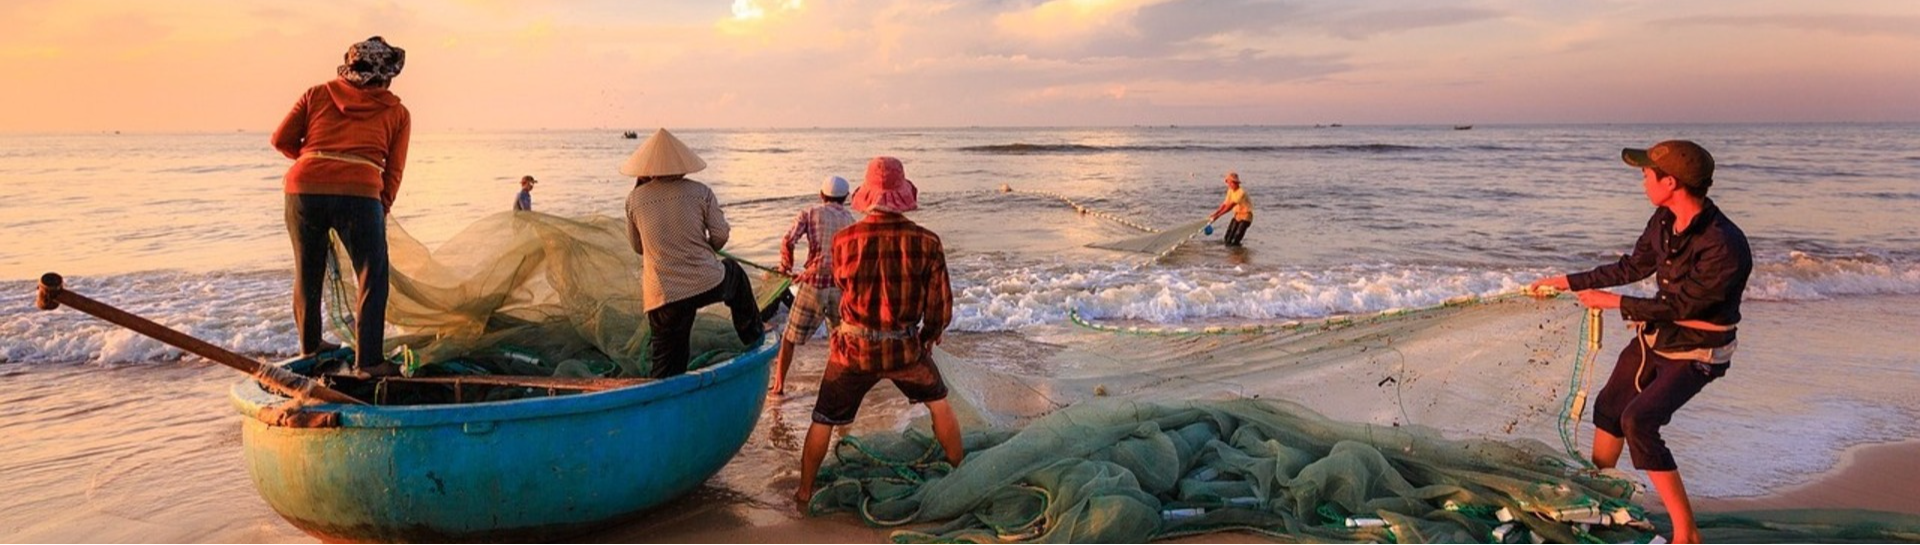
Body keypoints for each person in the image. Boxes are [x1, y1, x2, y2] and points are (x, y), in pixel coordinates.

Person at [1529, 140, 1750, 544]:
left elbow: (1682, 306)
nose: (1642, 181)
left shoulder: (1725, 244)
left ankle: (1686, 533)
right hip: (1657, 339)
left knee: (1640, 421)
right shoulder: (1663, 219)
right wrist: (1566, 281)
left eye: (1647, 174)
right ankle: (1597, 499)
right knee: (1610, 408)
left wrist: (1613, 304)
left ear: (1671, 182)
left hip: (1699, 350)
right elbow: (1633, 266)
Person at [794, 157, 963, 511]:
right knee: (940, 405)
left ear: (866, 197)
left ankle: (804, 493)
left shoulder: (844, 241)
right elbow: (940, 307)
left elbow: (843, 287)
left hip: (852, 349)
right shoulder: (928, 242)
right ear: (903, 195)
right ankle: (961, 476)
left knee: (823, 419)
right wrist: (928, 337)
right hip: (904, 348)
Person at [271, 36, 411, 377]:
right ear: (386, 75)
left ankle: (310, 347)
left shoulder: (316, 94)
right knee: (371, 274)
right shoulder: (397, 112)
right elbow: (393, 170)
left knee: (308, 271)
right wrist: (382, 205)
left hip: (303, 188)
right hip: (359, 192)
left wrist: (314, 159)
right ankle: (369, 362)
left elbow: (280, 140)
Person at [620, 128, 764, 378]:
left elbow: (638, 247)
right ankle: (752, 335)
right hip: (706, 282)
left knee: (666, 366)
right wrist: (703, 243)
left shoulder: (634, 200)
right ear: (682, 165)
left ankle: (665, 403)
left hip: (663, 294)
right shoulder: (700, 192)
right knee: (735, 274)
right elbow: (719, 237)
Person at [770, 175, 857, 395]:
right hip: (840, 287)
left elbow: (788, 240)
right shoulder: (851, 221)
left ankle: (779, 386)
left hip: (813, 284)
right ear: (845, 197)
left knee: (789, 337)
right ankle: (838, 385)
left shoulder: (810, 213)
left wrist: (786, 267)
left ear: (821, 195)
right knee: (838, 340)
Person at [1207, 171, 1253, 246]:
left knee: (1236, 239)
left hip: (1246, 216)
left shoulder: (1241, 193)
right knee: (1227, 238)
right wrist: (1215, 213)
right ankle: (1231, 254)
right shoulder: (1230, 191)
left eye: (1230, 182)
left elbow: (1230, 206)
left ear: (1236, 183)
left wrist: (1218, 216)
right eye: (1228, 182)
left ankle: (1238, 256)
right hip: (1237, 215)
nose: (1229, 184)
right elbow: (1225, 204)